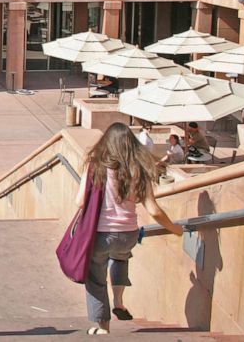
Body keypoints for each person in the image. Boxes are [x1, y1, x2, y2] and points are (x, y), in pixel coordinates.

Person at [74, 123, 182, 335]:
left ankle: (102, 327)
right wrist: (175, 229)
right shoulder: (138, 170)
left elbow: (79, 202)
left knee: (96, 278)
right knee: (120, 258)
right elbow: (154, 210)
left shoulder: (95, 166)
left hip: (100, 235)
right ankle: (119, 300)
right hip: (128, 234)